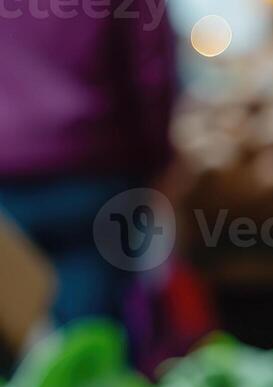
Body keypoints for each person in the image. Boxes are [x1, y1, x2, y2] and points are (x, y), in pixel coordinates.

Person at [0, 0, 178, 329]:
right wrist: (159, 163)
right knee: (87, 340)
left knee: (12, 334)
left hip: (11, 177)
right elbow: (152, 74)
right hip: (92, 173)